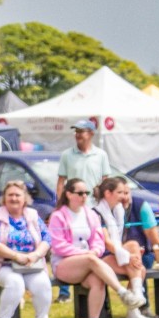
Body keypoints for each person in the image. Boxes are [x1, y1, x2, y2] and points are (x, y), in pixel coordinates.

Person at [48, 178, 146, 318]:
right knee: (90, 259)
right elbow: (58, 245)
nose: (84, 196)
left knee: (97, 279)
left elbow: (98, 241)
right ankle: (122, 292)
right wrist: (85, 253)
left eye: (86, 193)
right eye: (80, 193)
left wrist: (94, 251)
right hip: (64, 263)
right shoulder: (58, 216)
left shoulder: (90, 214)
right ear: (68, 194)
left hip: (90, 261)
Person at [0, 181, 53, 318]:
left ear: (25, 198)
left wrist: (36, 255)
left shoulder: (33, 215)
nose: (14, 198)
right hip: (2, 265)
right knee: (15, 283)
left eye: (17, 195)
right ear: (4, 198)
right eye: (10, 195)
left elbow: (47, 238)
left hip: (31, 264)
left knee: (43, 284)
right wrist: (15, 256)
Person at [54, 119, 113, 303]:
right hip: (72, 206)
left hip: (93, 207)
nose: (78, 135)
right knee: (67, 244)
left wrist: (103, 200)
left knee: (97, 244)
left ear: (91, 134)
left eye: (82, 131)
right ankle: (64, 291)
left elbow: (106, 181)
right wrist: (61, 203)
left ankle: (99, 285)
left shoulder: (101, 155)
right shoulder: (67, 155)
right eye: (76, 131)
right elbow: (61, 182)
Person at [91, 177, 157, 318]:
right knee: (139, 268)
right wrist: (128, 256)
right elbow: (107, 243)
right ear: (108, 193)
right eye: (120, 192)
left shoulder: (118, 211)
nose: (123, 196)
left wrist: (131, 254)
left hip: (114, 253)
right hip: (99, 257)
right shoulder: (97, 213)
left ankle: (136, 302)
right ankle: (136, 304)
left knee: (134, 247)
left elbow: (119, 243)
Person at [119, 181, 159, 269]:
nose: (125, 198)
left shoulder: (141, 206)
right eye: (120, 193)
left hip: (142, 255)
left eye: (126, 193)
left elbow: (155, 239)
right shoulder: (106, 208)